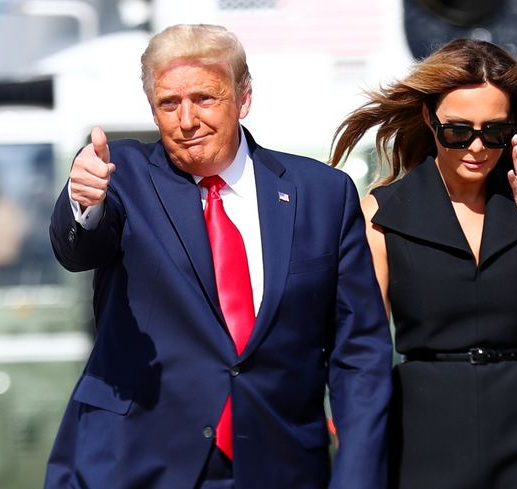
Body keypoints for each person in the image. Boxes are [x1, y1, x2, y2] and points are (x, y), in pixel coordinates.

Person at [45, 24, 392, 489]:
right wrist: (83, 202)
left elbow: (359, 353)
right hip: (136, 464)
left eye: (205, 99)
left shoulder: (322, 195)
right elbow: (77, 248)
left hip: (280, 466)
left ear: (243, 98)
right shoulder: (123, 177)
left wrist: (358, 475)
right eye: (169, 104)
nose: (187, 120)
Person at [330, 38, 517, 488]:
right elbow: (362, 353)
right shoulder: (382, 214)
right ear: (427, 120)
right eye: (457, 131)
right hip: (421, 429)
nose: (477, 147)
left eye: (494, 131)